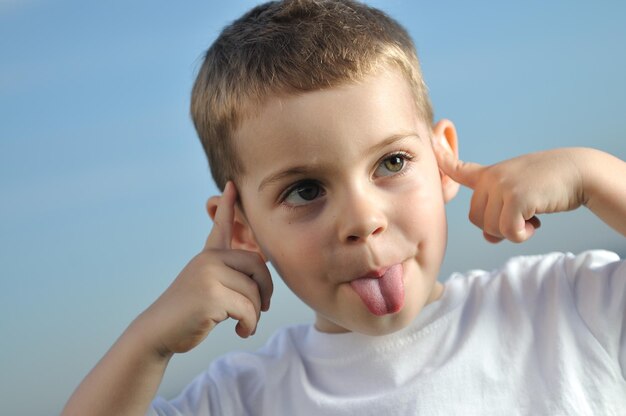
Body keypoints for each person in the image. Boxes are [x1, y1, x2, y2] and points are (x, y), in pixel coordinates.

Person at [62, 0, 626, 414]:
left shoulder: (565, 310)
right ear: (243, 227)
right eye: (305, 190)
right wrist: (149, 342)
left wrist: (598, 176)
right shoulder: (242, 399)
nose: (362, 220)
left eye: (393, 163)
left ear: (443, 159)